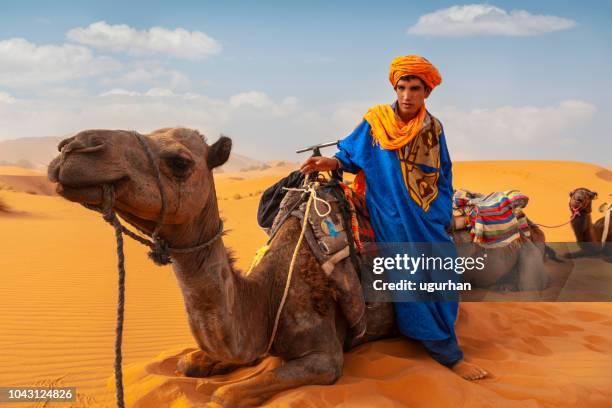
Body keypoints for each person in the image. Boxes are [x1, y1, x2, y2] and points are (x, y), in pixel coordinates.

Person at [300, 55, 488, 380]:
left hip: (427, 216)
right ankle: (447, 353)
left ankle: (435, 330)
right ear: (395, 87)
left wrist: (440, 211)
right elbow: (350, 156)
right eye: (402, 87)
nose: (407, 95)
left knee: (445, 275)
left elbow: (443, 173)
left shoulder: (433, 127)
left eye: (415, 88)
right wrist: (329, 163)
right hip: (388, 213)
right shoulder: (376, 122)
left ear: (426, 92)